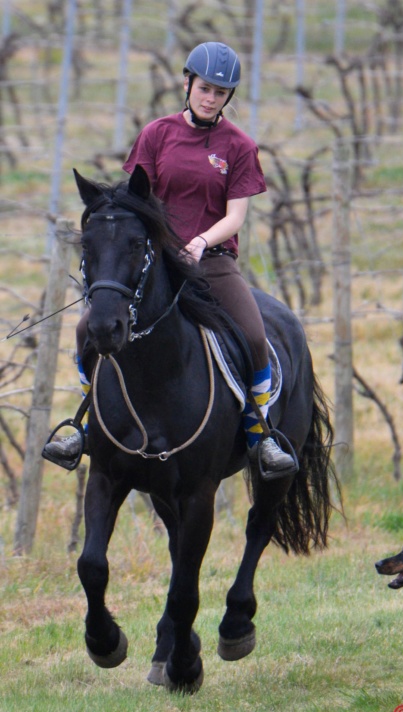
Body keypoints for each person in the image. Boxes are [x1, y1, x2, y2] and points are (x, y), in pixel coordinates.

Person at [43, 42, 295, 476]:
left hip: (212, 261)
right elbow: (135, 200)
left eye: (220, 92)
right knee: (89, 328)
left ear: (227, 97)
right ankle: (85, 426)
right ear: (187, 83)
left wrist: (199, 241)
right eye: (204, 88)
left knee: (254, 336)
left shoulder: (239, 147)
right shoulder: (156, 134)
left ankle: (260, 434)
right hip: (157, 262)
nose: (210, 97)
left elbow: (235, 216)